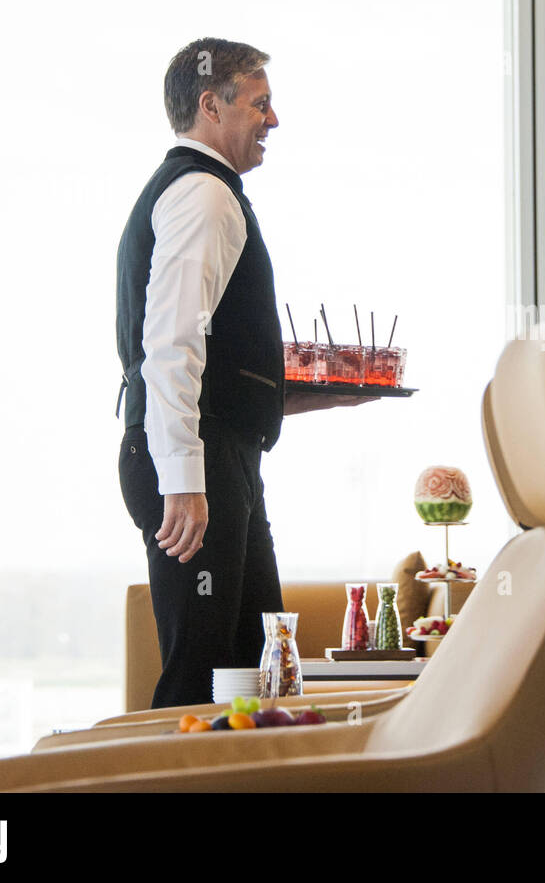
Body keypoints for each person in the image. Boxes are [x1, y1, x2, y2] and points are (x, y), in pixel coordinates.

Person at [115, 37, 372, 709]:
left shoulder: (198, 192)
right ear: (210, 104)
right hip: (198, 460)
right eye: (261, 103)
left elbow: (219, 367)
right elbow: (171, 344)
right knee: (204, 679)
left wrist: (322, 395)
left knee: (251, 672)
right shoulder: (202, 195)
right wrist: (185, 483)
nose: (274, 120)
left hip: (214, 456)